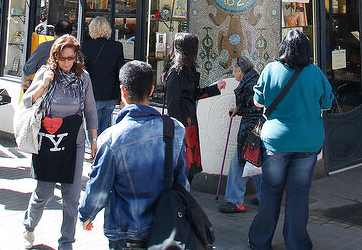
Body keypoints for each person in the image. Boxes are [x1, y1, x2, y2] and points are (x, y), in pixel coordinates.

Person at [78, 60, 188, 249]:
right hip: (166, 226)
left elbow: (99, 186)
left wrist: (87, 215)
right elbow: (182, 181)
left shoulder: (111, 138)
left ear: (123, 91)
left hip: (126, 230)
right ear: (152, 90)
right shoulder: (175, 129)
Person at [247, 29, 333, 250]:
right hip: (308, 142)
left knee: (270, 192)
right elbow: (327, 104)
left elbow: (258, 101)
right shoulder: (315, 73)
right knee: (298, 194)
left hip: (276, 142)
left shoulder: (270, 70)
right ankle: (297, 243)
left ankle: (260, 241)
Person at [22, 35, 97, 250]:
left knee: (71, 196)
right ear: (55, 57)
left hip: (74, 140)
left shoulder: (84, 78)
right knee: (43, 193)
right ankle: (29, 225)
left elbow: (90, 110)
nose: (67, 63)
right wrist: (44, 84)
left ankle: (67, 242)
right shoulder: (46, 74)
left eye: (71, 58)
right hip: (48, 140)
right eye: (63, 58)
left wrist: (94, 138)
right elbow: (28, 101)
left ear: (76, 57)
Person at [164, 32, 226, 178]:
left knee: (189, 168)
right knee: (184, 167)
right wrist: (179, 131)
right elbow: (172, 105)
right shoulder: (175, 73)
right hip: (184, 126)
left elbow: (194, 94)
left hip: (190, 122)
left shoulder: (187, 70)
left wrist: (215, 88)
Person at [219, 54, 262, 214]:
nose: (233, 74)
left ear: (240, 70)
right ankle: (266, 197)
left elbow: (256, 108)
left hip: (250, 129)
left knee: (239, 162)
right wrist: (239, 110)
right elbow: (253, 105)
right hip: (255, 129)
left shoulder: (250, 84)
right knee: (255, 161)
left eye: (234, 71)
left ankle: (235, 201)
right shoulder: (252, 80)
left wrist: (250, 133)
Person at [83, 16, 126, 136]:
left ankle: (95, 152)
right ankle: (101, 151)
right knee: (105, 128)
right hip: (111, 94)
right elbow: (121, 71)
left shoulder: (86, 47)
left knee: (91, 130)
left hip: (92, 94)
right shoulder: (117, 47)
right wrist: (122, 97)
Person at [23, 20, 74, 89]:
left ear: (54, 33)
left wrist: (27, 83)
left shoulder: (44, 47)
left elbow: (28, 70)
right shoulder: (75, 50)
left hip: (44, 90)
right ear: (70, 34)